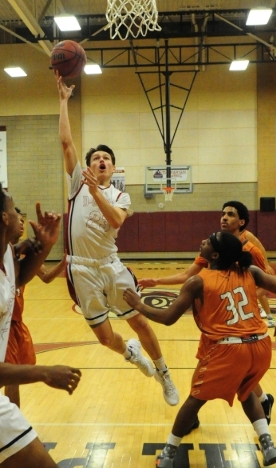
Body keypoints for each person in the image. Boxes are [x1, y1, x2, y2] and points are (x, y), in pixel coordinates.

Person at [55, 72, 178, 406]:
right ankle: (130, 353)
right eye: (95, 158)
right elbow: (67, 143)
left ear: (113, 169)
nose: (100, 161)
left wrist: (97, 194)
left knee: (138, 319)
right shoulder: (76, 184)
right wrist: (64, 101)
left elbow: (114, 221)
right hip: (81, 270)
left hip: (111, 266)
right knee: (105, 337)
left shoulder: (120, 196)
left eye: (106, 159)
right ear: (89, 165)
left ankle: (164, 372)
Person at [124, 231, 276, 468]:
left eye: (208, 241)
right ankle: (268, 445)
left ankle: (169, 452)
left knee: (195, 399)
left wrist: (139, 305)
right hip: (261, 346)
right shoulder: (250, 272)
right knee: (246, 391)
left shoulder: (198, 282)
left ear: (214, 254)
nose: (202, 241)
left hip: (230, 349)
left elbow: (169, 318)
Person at [139, 200, 275, 425]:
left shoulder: (251, 248)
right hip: (215, 321)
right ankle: (260, 400)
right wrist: (156, 280)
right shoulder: (215, 245)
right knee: (208, 363)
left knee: (234, 371)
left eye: (230, 215)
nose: (224, 218)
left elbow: (268, 281)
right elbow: (187, 275)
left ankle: (256, 402)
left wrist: (246, 295)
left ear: (241, 221)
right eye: (222, 213)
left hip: (239, 323)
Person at [0, 179, 81, 468]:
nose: (20, 214)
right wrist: (44, 373)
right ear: (4, 218)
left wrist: (46, 243)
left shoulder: (4, 251)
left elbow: (15, 281)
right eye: (12, 207)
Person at [4, 208, 67, 407]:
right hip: (3, 322)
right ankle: (11, 426)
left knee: (12, 378)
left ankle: (10, 424)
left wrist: (63, 263)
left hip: (16, 323)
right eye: (18, 219)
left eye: (24, 220)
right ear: (4, 220)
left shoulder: (23, 254)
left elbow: (46, 277)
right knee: (9, 378)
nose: (22, 223)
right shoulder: (2, 251)